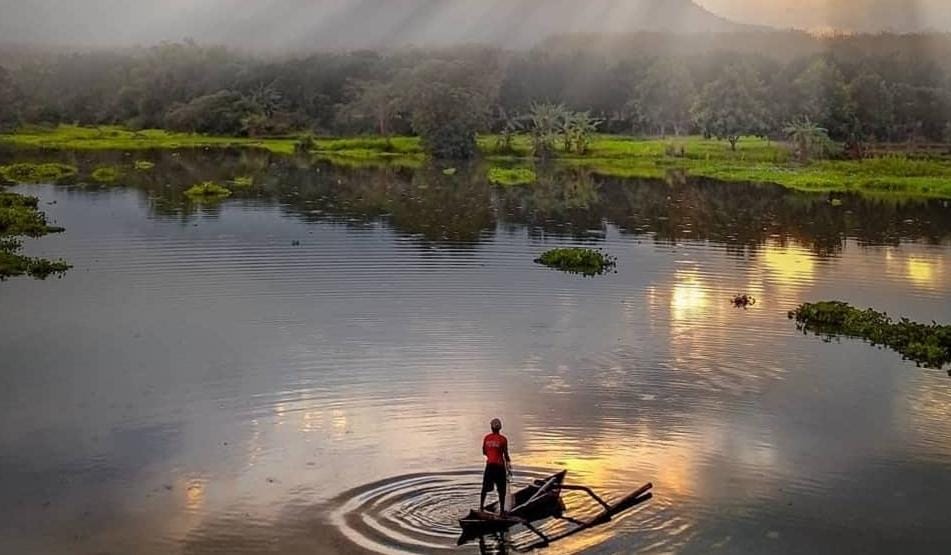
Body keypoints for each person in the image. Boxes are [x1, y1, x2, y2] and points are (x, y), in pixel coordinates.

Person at [480, 418, 511, 513]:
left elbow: (484, 452)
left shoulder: (486, 438)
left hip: (489, 466)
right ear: (500, 428)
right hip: (499, 467)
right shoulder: (503, 439)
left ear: (491, 428)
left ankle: (481, 507)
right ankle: (502, 511)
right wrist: (509, 466)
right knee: (502, 489)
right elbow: (505, 455)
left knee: (485, 488)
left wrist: (491, 454)